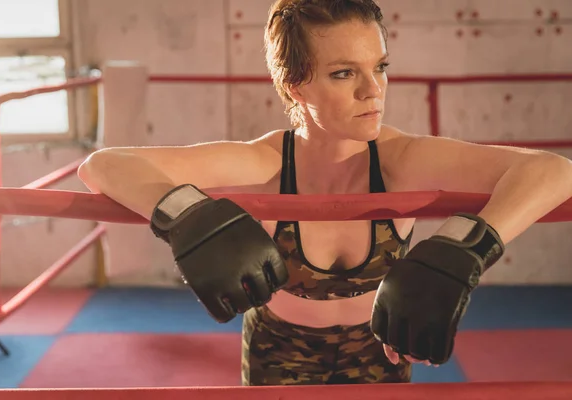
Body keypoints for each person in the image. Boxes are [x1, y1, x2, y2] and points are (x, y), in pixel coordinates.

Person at [78, 0, 572, 386]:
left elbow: (554, 171)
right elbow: (103, 165)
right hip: (279, 349)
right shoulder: (269, 163)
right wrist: (188, 215)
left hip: (381, 347)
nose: (372, 90)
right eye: (343, 73)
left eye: (379, 66)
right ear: (296, 86)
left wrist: (467, 249)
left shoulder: (400, 160)